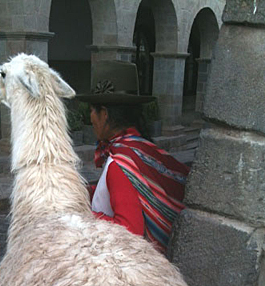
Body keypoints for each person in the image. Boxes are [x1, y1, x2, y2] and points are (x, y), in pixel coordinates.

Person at [77, 60, 190, 254]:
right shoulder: (139, 146)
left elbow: (129, 231)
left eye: (92, 112)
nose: (91, 119)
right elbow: (122, 192)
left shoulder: (119, 163)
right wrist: (81, 192)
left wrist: (82, 215)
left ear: (104, 114)